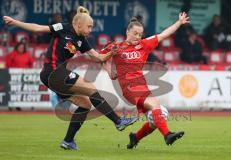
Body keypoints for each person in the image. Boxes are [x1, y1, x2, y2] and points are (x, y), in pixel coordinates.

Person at [3, 6, 137, 150]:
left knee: (85, 104)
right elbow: (38, 29)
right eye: (89, 26)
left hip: (55, 76)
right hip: (52, 71)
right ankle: (118, 121)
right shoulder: (63, 27)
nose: (91, 30)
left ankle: (68, 141)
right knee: (91, 88)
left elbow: (98, 57)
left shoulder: (82, 40)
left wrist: (111, 53)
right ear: (79, 24)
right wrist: (15, 22)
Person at [101, 12, 190, 149]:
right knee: (156, 104)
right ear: (127, 32)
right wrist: (109, 70)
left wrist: (179, 23)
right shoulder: (116, 46)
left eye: (140, 34)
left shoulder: (144, 45)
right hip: (129, 87)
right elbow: (100, 57)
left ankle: (135, 137)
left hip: (142, 85)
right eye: (135, 33)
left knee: (158, 118)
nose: (138, 37)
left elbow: (163, 35)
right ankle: (167, 135)